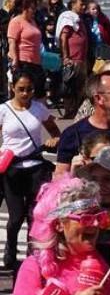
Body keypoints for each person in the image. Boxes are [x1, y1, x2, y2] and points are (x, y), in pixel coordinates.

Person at [2, 72, 59, 271]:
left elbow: (55, 132)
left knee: (34, 215)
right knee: (16, 216)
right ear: (12, 88)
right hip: (11, 170)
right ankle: (10, 248)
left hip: (36, 168)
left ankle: (31, 256)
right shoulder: (3, 110)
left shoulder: (39, 109)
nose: (26, 93)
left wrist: (53, 140)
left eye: (29, 89)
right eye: (21, 89)